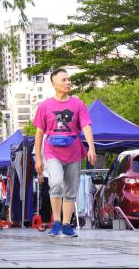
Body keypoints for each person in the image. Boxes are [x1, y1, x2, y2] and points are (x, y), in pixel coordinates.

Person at [33, 68, 97, 237]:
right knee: (55, 183)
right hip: (52, 151)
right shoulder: (45, 106)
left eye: (69, 80)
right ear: (54, 84)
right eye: (64, 80)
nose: (68, 82)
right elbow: (39, 133)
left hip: (74, 151)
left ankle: (67, 225)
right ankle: (56, 223)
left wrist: (91, 147)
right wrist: (38, 158)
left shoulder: (78, 104)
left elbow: (86, 126)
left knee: (71, 189)